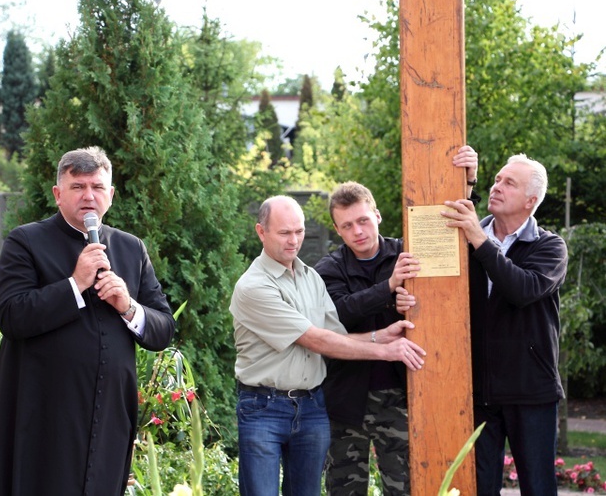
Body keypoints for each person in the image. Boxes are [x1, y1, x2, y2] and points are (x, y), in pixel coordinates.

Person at [0, 147, 176, 495]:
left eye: (97, 186)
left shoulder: (131, 248)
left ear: (110, 195)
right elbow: (11, 316)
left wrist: (128, 306)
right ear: (58, 194)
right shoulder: (26, 242)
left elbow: (163, 330)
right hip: (44, 413)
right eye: (78, 187)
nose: (88, 196)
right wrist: (75, 284)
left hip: (109, 413)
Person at [229, 195, 427, 496]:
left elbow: (334, 333)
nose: (293, 240)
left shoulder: (309, 277)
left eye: (299, 231)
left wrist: (380, 335)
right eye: (284, 233)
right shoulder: (254, 287)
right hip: (265, 408)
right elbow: (315, 339)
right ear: (261, 232)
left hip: (312, 407)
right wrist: (385, 350)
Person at [314, 146, 478, 496]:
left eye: (362, 220)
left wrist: (468, 183)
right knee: (343, 489)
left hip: (401, 394)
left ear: (377, 215)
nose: (357, 230)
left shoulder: (409, 251)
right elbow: (338, 313)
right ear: (337, 229)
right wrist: (389, 288)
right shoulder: (328, 268)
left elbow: (451, 253)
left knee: (404, 487)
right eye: (347, 225)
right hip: (346, 396)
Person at [441, 153, 568, 495]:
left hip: (531, 390)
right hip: (478, 390)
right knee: (479, 488)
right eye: (496, 179)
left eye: (509, 183)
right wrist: (466, 183)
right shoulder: (462, 240)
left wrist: (479, 241)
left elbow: (522, 289)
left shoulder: (550, 247)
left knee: (538, 487)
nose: (497, 186)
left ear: (531, 201)